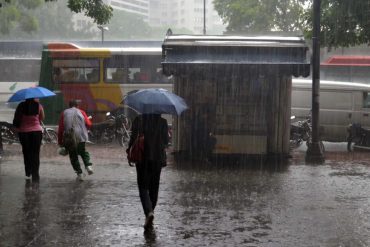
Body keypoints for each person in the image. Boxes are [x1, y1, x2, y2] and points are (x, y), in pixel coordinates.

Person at [127, 114, 169, 230]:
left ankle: (149, 212)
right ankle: (150, 213)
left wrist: (129, 152)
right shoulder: (163, 122)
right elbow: (166, 141)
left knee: (143, 187)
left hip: (142, 158)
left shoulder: (139, 119)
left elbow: (133, 138)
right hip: (157, 159)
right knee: (154, 187)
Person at [58, 100, 93, 181]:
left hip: (70, 137)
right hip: (81, 136)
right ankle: (88, 166)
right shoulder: (81, 112)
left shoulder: (64, 113)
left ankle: (79, 174)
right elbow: (89, 124)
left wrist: (60, 142)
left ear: (69, 106)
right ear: (77, 106)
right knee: (83, 152)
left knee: (73, 156)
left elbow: (61, 129)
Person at [13, 98, 44, 182]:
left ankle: (28, 171)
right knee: (35, 153)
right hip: (36, 132)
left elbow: (17, 118)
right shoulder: (39, 106)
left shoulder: (21, 106)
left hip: (24, 133)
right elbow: (42, 118)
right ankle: (35, 173)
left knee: (26, 152)